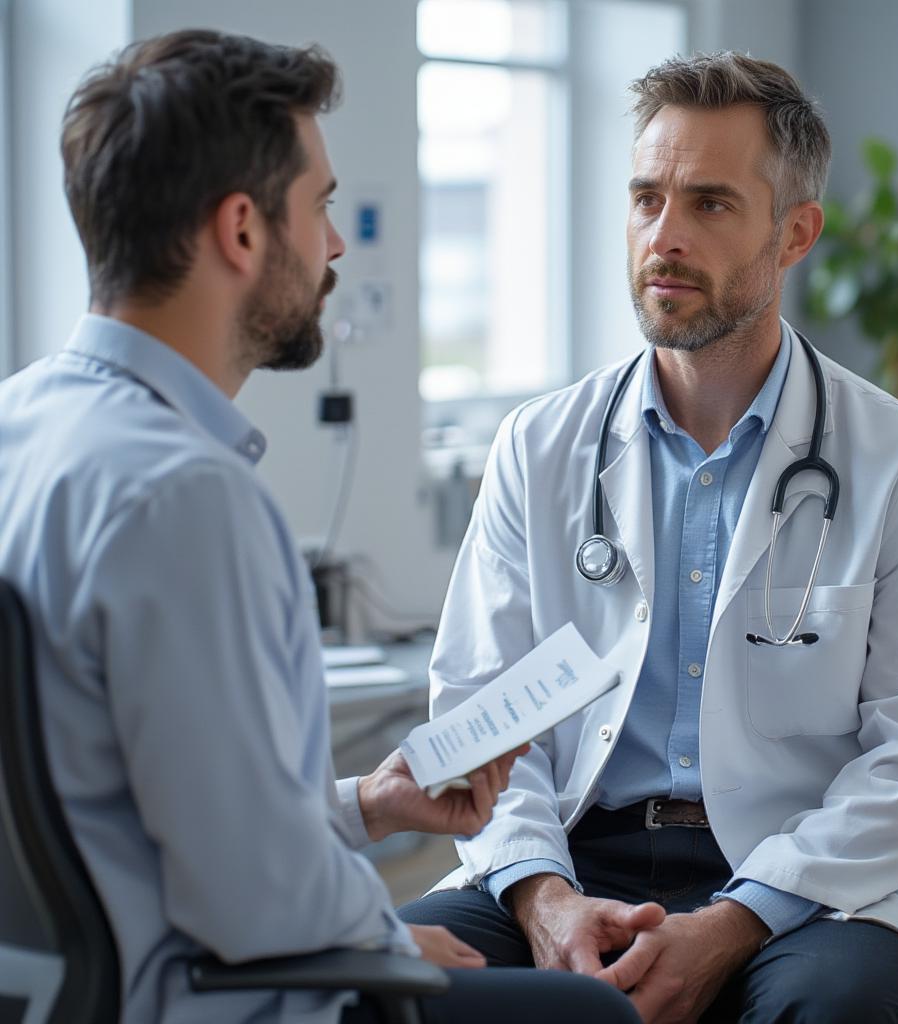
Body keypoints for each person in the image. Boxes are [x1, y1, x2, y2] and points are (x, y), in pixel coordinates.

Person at [0, 30, 642, 1024]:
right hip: (203, 998)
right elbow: (259, 899)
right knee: (590, 1016)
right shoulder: (187, 496)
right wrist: (387, 941)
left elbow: (170, 811)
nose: (336, 244)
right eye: (322, 205)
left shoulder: (21, 428)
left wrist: (368, 804)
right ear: (243, 231)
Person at [400, 51, 898, 1024]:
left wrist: (734, 919)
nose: (662, 236)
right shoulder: (538, 446)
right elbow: (480, 710)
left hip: (809, 882)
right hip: (570, 855)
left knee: (838, 1007)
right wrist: (543, 898)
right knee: (395, 993)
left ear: (794, 232)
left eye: (710, 204)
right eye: (645, 198)